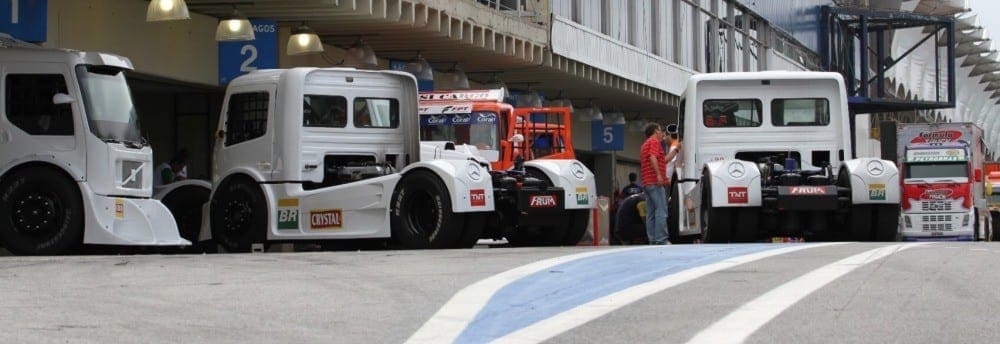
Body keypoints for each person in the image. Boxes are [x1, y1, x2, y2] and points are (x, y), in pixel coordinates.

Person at [640, 122, 669, 245]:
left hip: (647, 182)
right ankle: (661, 239)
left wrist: (675, 151)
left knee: (651, 212)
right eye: (661, 130)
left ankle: (652, 239)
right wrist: (658, 175)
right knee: (661, 210)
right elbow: (653, 157)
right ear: (656, 131)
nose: (662, 133)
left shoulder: (645, 145)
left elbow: (661, 159)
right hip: (655, 181)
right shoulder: (654, 142)